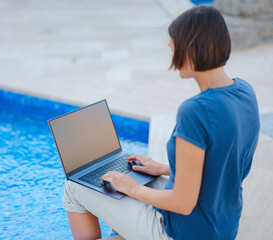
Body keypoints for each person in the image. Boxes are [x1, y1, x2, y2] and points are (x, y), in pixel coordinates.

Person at [63, 5, 260, 240]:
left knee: (74, 187)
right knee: (136, 183)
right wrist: (163, 169)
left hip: (184, 233)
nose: (172, 54)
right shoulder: (244, 91)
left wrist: (132, 188)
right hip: (223, 227)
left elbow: (183, 203)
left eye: (173, 48)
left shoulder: (196, 110)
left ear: (190, 50)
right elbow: (223, 165)